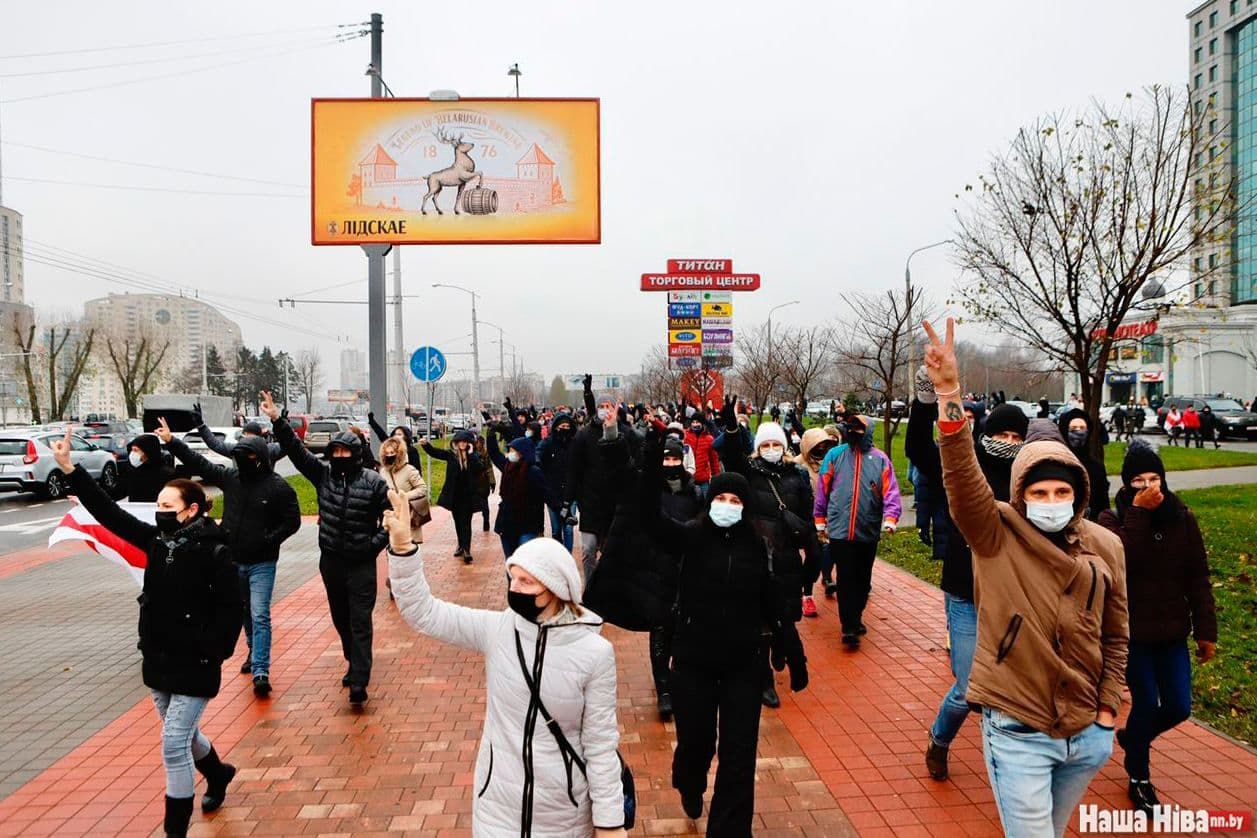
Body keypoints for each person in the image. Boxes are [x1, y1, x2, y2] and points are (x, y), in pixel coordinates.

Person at [924, 318, 1128, 838]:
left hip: (1086, 732)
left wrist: (1107, 713)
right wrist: (949, 391)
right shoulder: (997, 534)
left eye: (1061, 492)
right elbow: (961, 475)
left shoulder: (1105, 546)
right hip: (1017, 728)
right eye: (1039, 493)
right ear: (1020, 496)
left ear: (1079, 494)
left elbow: (1116, 634)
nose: (1051, 502)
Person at [385, 494, 627, 837]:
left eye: (526, 581)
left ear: (556, 588)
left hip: (564, 816)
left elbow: (600, 745)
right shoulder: (498, 630)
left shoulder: (594, 653)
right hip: (497, 810)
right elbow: (424, 613)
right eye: (511, 578)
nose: (514, 589)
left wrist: (610, 823)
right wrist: (403, 551)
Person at [50, 430, 241, 838]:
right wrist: (71, 470)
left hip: (196, 662)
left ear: (191, 510)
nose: (160, 511)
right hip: (158, 656)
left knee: (173, 744)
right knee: (185, 736)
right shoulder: (157, 541)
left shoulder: (214, 549)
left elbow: (231, 610)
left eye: (167, 505)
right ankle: (218, 773)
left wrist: (215, 652)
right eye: (158, 505)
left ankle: (175, 832)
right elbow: (112, 516)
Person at [644, 466, 786, 835]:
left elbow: (771, 602)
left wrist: (789, 651)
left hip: (743, 664)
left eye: (735, 500)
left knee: (738, 757)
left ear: (745, 507)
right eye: (720, 498)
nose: (727, 505)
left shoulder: (758, 545)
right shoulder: (690, 536)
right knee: (696, 743)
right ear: (709, 503)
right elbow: (650, 520)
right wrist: (645, 459)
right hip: (694, 663)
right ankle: (689, 783)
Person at [907, 368, 1029, 782]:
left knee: (1011, 685)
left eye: (1018, 438)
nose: (1009, 445)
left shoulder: (1027, 478)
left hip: (1013, 596)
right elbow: (922, 452)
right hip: (965, 593)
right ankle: (940, 739)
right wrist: (928, 399)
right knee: (968, 687)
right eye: (1003, 435)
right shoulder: (966, 464)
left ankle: (1008, 765)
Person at [1099, 441, 1217, 815]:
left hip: (1172, 633)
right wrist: (1138, 514)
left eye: (1155, 479)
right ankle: (1139, 777)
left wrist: (1205, 631)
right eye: (1138, 480)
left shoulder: (1182, 517)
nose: (1149, 487)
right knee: (1147, 703)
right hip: (1132, 635)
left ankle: (1133, 738)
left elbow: (1198, 576)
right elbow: (1120, 563)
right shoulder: (1111, 520)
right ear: (1126, 484)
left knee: (1179, 706)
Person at [156, 419, 301, 698]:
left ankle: (261, 669)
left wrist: (269, 540)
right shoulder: (231, 479)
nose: (243, 461)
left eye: (249, 456)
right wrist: (172, 441)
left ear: (260, 458)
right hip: (233, 560)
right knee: (244, 611)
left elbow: (292, 521)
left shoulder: (278, 487)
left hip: (262, 563)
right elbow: (200, 463)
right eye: (239, 456)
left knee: (260, 614)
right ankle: (252, 651)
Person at [263, 393, 389, 706]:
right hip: (331, 561)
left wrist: (373, 545)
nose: (340, 455)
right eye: (336, 451)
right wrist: (278, 420)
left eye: (346, 450)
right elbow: (296, 450)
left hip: (361, 564)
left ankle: (360, 680)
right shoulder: (323, 476)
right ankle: (352, 659)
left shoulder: (374, 483)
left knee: (361, 621)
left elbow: (392, 518)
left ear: (357, 453)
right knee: (341, 618)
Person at [715, 405, 817, 709]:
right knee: (760, 622)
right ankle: (765, 682)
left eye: (776, 444)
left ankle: (780, 647)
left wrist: (812, 556)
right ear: (758, 448)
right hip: (758, 559)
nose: (771, 449)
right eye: (765, 445)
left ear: (784, 447)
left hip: (787, 560)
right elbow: (732, 459)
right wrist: (733, 430)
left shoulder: (797, 476)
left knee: (785, 618)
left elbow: (806, 518)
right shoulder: (750, 473)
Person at [813, 413, 902, 646]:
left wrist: (891, 517)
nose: (854, 432)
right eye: (850, 427)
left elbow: (891, 491)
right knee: (845, 577)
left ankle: (856, 616)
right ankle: (849, 626)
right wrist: (820, 518)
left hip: (867, 528)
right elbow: (823, 488)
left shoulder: (880, 460)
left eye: (859, 428)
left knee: (863, 578)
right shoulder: (835, 455)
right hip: (840, 529)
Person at [564, 393, 638, 583]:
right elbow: (574, 469)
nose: (605, 409)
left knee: (612, 552)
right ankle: (590, 589)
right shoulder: (584, 434)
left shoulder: (627, 433)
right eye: (602, 405)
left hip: (616, 504)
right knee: (588, 550)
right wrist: (569, 499)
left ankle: (609, 589)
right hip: (590, 503)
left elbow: (635, 464)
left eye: (609, 405)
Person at [421, 429, 486, 563]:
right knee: (457, 522)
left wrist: (472, 454)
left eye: (465, 441)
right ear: (455, 443)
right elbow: (436, 453)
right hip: (455, 496)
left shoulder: (473, 455)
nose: (462, 444)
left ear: (469, 443)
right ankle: (460, 545)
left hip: (469, 496)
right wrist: (425, 445)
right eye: (460, 441)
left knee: (466, 523)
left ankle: (467, 549)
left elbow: (480, 468)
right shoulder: (451, 455)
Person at [485, 425, 546, 558]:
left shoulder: (534, 472)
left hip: (528, 523)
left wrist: (540, 528)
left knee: (524, 560)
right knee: (511, 560)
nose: (510, 453)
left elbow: (541, 499)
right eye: (510, 450)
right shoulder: (507, 467)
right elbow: (494, 453)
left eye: (513, 450)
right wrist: (491, 435)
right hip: (507, 523)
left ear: (522, 452)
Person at [797, 428, 841, 600]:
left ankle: (827, 577)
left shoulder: (832, 462)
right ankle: (806, 591)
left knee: (830, 548)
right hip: (806, 517)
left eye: (825, 445)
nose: (822, 448)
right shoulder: (797, 465)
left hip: (828, 514)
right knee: (813, 555)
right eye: (818, 445)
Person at [1056, 408, 1110, 521]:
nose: (1078, 432)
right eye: (1073, 428)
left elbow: (1103, 504)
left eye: (1082, 428)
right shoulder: (1057, 464)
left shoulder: (1097, 467)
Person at [536, 412, 577, 551]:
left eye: (567, 426)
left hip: (570, 494)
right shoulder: (548, 443)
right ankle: (558, 556)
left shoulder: (574, 443)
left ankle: (568, 558)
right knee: (556, 529)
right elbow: (538, 457)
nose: (565, 428)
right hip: (552, 493)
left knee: (569, 528)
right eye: (562, 426)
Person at [377, 436, 428, 546]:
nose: (390, 455)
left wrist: (403, 496)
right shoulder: (383, 472)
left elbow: (422, 488)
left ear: (399, 453)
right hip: (392, 515)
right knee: (392, 548)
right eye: (387, 453)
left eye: (393, 452)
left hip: (409, 515)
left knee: (410, 549)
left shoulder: (409, 470)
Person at [121, 432, 176, 502]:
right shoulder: (131, 471)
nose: (132, 454)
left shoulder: (169, 475)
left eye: (136, 450)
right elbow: (119, 491)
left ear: (148, 451)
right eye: (132, 450)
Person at [683, 411, 721, 500]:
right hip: (688, 477)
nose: (695, 424)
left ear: (703, 424)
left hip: (703, 479)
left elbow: (714, 460)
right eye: (693, 422)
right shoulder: (686, 436)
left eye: (697, 422)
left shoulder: (709, 439)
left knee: (706, 501)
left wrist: (716, 477)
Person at [473, 434, 495, 532]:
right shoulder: (470, 453)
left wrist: (492, 482)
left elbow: (489, 468)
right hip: (472, 483)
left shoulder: (485, 454)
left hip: (483, 482)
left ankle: (486, 521)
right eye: (477, 442)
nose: (478, 444)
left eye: (480, 443)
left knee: (484, 505)